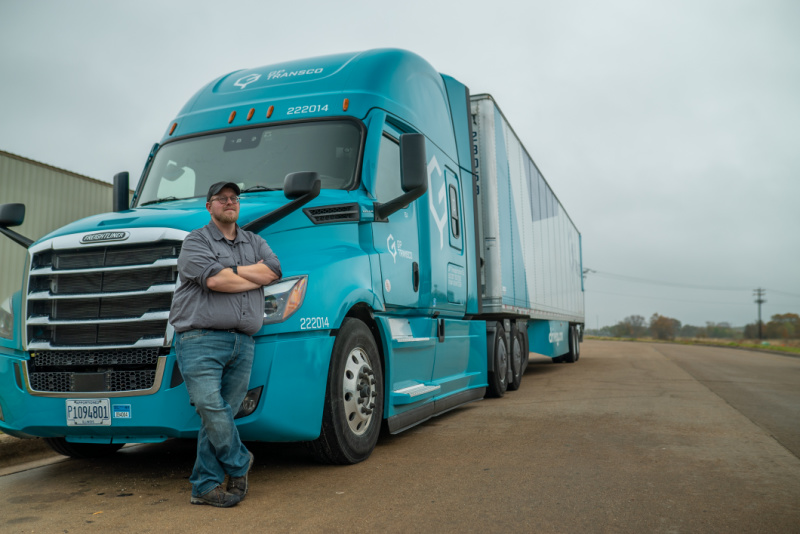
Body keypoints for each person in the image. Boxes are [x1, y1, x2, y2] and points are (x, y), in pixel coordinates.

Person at [169, 182, 281, 507]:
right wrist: (247, 276)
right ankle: (240, 461)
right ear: (209, 206)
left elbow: (273, 270)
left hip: (243, 342)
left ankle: (204, 486)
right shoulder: (195, 241)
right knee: (209, 406)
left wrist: (232, 271)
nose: (229, 202)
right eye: (222, 199)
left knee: (221, 417)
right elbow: (215, 280)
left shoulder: (255, 241)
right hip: (200, 339)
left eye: (234, 198)